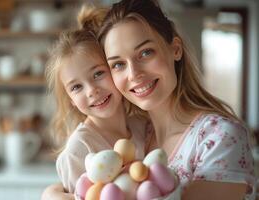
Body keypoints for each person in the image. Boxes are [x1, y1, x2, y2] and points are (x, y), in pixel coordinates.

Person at [42, 0, 256, 199]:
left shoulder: (220, 137)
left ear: (175, 49)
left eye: (145, 53)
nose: (134, 74)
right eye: (118, 64)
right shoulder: (140, 131)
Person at [43, 4, 150, 196]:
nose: (92, 91)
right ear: (71, 100)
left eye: (98, 73)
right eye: (76, 87)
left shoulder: (142, 126)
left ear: (115, 69)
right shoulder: (78, 150)